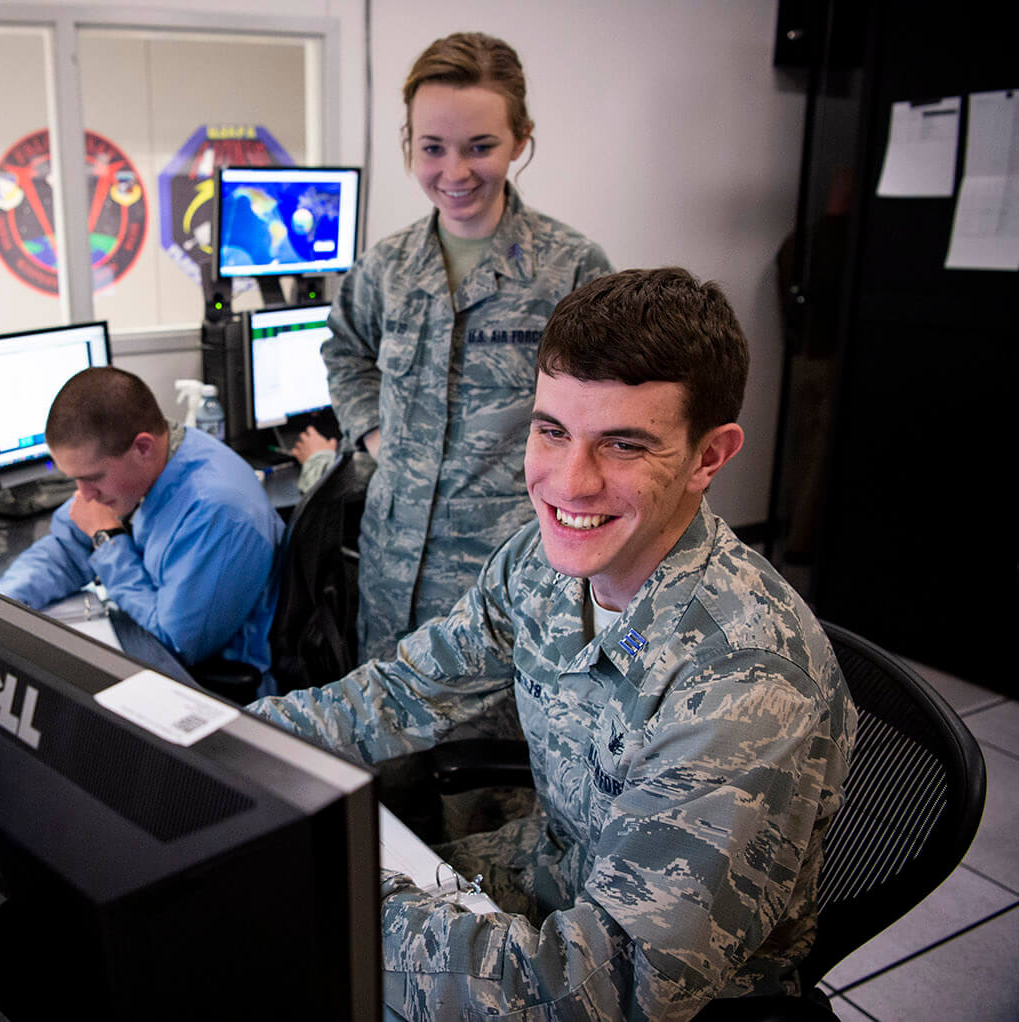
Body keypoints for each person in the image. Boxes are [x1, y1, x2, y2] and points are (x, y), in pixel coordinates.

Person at [251, 268, 857, 1020]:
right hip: (548, 876)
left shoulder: (744, 682)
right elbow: (405, 689)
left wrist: (331, 895)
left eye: (624, 445)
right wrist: (233, 746)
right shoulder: (540, 563)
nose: (570, 483)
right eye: (552, 431)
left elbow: (596, 993)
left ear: (709, 457)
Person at [325, 31, 614, 662]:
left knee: (495, 756)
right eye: (432, 148)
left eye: (480, 147)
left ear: (520, 139)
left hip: (512, 577)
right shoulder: (386, 268)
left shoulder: (569, 269)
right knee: (385, 737)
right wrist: (374, 432)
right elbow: (343, 351)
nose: (454, 173)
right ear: (409, 144)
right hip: (391, 573)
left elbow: (611, 414)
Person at [0, 367, 284, 683]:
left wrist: (109, 539)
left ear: (143, 447)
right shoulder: (142, 469)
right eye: (74, 479)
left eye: (91, 478)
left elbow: (177, 644)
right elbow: (67, 547)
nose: (84, 494)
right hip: (141, 631)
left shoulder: (218, 511)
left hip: (201, 681)